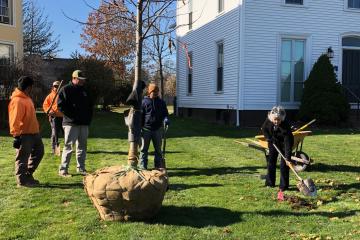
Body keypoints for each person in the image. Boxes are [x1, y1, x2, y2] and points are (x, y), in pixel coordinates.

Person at [8, 76, 44, 187]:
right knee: (22, 158)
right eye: (31, 87)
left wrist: (36, 126)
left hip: (34, 133)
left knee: (39, 152)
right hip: (24, 134)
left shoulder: (27, 98)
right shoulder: (18, 101)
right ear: (28, 87)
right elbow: (15, 119)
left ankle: (28, 174)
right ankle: (22, 181)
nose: (32, 89)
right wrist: (16, 135)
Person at [57, 70, 93, 177]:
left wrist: (88, 119)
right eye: (80, 80)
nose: (82, 82)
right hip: (70, 123)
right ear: (74, 78)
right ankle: (63, 170)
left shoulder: (85, 91)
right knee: (68, 147)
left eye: (83, 80)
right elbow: (60, 106)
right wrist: (72, 116)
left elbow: (90, 106)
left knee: (82, 146)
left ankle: (81, 168)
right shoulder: (65, 89)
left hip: (83, 123)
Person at [261, 106, 294, 192]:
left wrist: (287, 158)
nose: (276, 121)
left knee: (284, 165)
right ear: (271, 117)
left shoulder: (286, 127)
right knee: (271, 162)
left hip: (284, 144)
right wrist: (268, 138)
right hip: (273, 142)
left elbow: (288, 144)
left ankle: (283, 186)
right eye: (275, 119)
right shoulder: (268, 121)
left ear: (282, 119)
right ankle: (270, 183)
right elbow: (264, 129)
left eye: (278, 120)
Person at [140, 83, 169, 169]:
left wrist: (166, 119)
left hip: (157, 129)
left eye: (157, 92)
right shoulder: (144, 102)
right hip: (146, 130)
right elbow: (141, 116)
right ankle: (143, 167)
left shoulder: (161, 102)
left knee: (158, 150)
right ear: (149, 92)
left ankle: (158, 167)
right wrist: (140, 128)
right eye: (153, 91)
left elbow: (165, 114)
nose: (155, 93)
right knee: (144, 150)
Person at [42, 80, 64, 156]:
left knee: (66, 134)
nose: (56, 87)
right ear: (53, 87)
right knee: (55, 134)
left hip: (64, 117)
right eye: (55, 86)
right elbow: (45, 106)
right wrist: (49, 111)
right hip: (54, 117)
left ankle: (67, 148)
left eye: (58, 86)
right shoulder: (50, 96)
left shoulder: (63, 95)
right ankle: (54, 149)